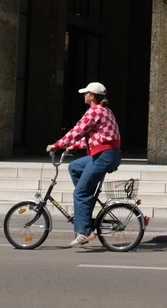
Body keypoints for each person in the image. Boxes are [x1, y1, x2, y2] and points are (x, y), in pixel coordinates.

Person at [47, 81, 122, 247]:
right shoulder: (105, 111)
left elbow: (77, 131)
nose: (84, 95)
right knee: (74, 167)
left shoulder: (94, 111)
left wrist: (57, 145)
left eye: (86, 93)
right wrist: (70, 148)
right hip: (106, 153)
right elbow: (95, 138)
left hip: (105, 155)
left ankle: (84, 232)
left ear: (92, 96)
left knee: (80, 193)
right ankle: (85, 205)